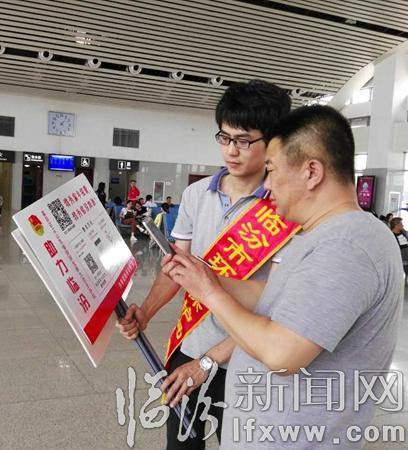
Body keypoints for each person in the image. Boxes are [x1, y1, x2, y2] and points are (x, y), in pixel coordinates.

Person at [164, 105, 403, 448]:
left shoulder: (347, 246)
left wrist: (209, 293)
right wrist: (207, 277)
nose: (267, 184)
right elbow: (272, 298)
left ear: (312, 172)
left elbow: (282, 353)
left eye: (272, 170)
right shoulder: (323, 235)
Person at [117, 79, 291, 448]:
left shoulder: (285, 207)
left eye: (243, 141)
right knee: (181, 442)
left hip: (248, 356)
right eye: (224, 138)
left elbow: (278, 303)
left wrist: (209, 363)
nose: (231, 150)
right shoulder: (197, 194)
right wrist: (145, 312)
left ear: (273, 142)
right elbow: (176, 268)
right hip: (191, 345)